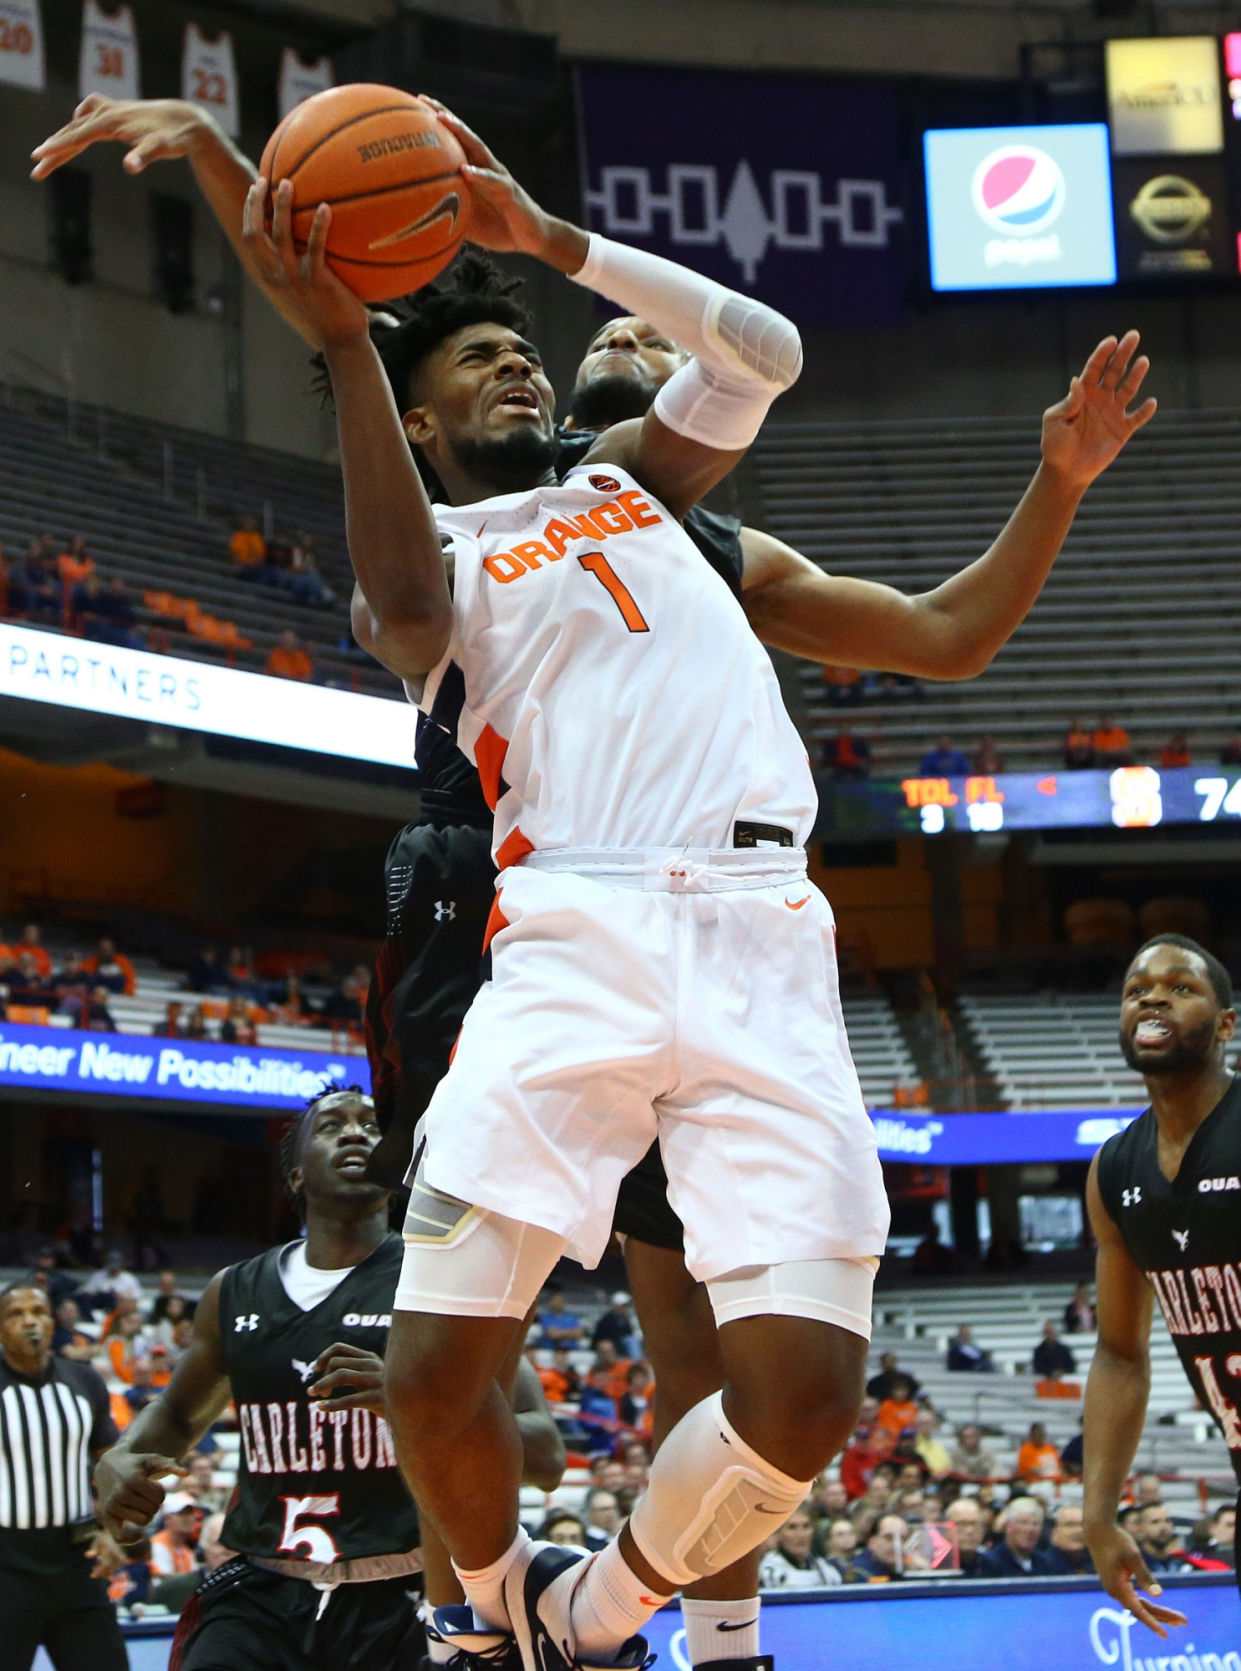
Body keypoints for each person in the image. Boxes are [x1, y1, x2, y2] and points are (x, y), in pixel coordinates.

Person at [35, 91, 1156, 1671]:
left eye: (523, 346)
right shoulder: (432, 559)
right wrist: (328, 313)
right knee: (433, 1370)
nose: (518, 359)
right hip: (571, 922)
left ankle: (595, 1612)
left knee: (801, 1396)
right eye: (473, 358)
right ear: (415, 421)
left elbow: (765, 353)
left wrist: (552, 240)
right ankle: (482, 1624)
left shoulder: (642, 489)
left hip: (765, 934)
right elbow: (388, 540)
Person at [93, 1086, 562, 1671]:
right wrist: (121, 1457)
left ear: (397, 1167)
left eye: (371, 1124)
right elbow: (177, 1414)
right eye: (332, 1125)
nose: (355, 1132)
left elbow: (546, 1457)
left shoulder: (442, 1284)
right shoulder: (233, 1291)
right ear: (295, 1175)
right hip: (264, 1592)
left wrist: (418, 1403)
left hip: (409, 1591)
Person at [1081, 933, 1241, 1639]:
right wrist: (1097, 1515)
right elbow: (1120, 1355)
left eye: (1180, 987)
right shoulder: (1115, 1170)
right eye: (1136, 990)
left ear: (1225, 1024)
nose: (1152, 999)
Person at [0, 1284, 128, 1671]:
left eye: (38, 1312)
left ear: (53, 1322)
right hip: (6, 1566)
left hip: (78, 1561)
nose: (29, 1322)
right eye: (16, 1314)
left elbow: (113, 1465)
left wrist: (112, 1530)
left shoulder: (83, 1380)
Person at [756, 1506, 841, 1589]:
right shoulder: (770, 1570)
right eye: (792, 1527)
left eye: (806, 1526)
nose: (801, 1535)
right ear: (778, 1533)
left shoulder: (824, 1568)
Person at [977, 1497, 1054, 1578]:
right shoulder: (989, 1563)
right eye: (1023, 1523)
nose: (1030, 1529)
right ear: (1009, 1526)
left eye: (1035, 1524)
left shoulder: (1046, 1564)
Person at [150, 1492, 203, 1575]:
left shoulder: (186, 1550)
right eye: (181, 1513)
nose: (188, 1518)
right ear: (167, 1519)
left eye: (191, 1513)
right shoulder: (157, 1546)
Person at [1134, 1504, 1192, 1577]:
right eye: (1155, 1522)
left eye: (1167, 1521)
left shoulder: (1185, 1561)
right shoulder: (1134, 1564)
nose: (1163, 1527)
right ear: (1141, 1528)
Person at [850, 1514, 909, 1581]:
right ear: (872, 1542)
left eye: (903, 1538)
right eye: (889, 1537)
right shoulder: (859, 1572)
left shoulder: (908, 1568)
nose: (898, 1545)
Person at [943, 1496, 988, 1578]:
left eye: (974, 1524)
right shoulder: (933, 1567)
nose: (969, 1530)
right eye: (961, 1524)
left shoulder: (995, 1567)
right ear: (946, 1530)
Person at [1044, 1503, 1093, 1575]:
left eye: (1083, 1525)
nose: (1078, 1530)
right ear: (1055, 1532)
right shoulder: (1043, 1567)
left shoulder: (1098, 1564)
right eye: (1070, 1525)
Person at [590, 1293, 639, 1358]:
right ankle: (636, 1360)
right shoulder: (608, 1319)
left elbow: (628, 1333)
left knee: (633, 1339)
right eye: (623, 1306)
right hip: (611, 1343)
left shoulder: (624, 1318)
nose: (625, 1308)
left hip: (619, 1343)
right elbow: (603, 1336)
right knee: (632, 1341)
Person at [911, 1409, 951, 1479]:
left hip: (943, 1478)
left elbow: (948, 1464)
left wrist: (944, 1473)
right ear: (916, 1425)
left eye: (929, 1423)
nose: (926, 1426)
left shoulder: (938, 1444)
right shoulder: (913, 1443)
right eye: (923, 1423)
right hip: (923, 1478)